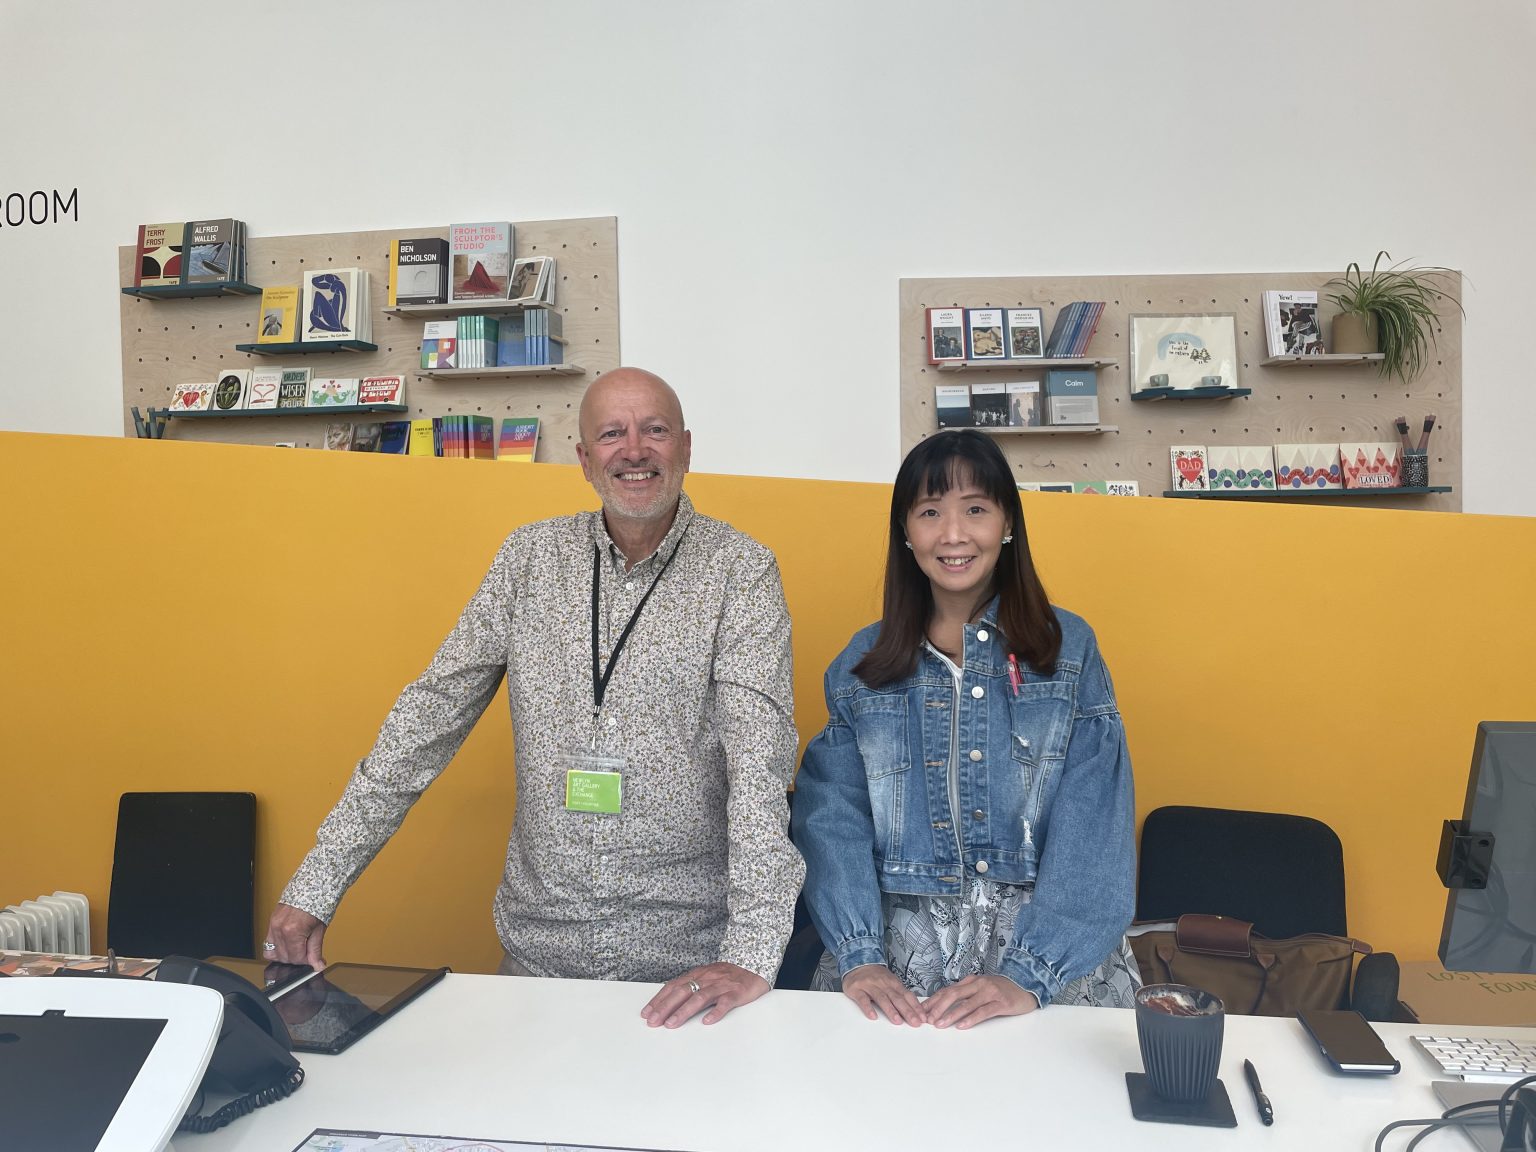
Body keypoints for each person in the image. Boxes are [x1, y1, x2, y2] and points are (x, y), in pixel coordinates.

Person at [265, 367, 804, 1028]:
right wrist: (317, 886)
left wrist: (749, 952)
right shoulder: (529, 560)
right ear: (583, 459)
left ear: (685, 448)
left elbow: (760, 768)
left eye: (654, 431)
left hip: (685, 969)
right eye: (611, 434)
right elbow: (427, 718)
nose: (634, 450)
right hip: (537, 965)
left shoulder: (741, 571)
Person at [792, 429, 1139, 1029]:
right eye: (930, 513)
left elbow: (1095, 820)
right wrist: (858, 954)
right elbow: (832, 820)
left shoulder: (1068, 649)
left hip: (1047, 966)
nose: (953, 534)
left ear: (1008, 523)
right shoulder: (860, 666)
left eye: (975, 509)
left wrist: (1032, 974)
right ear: (906, 532)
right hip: (896, 967)